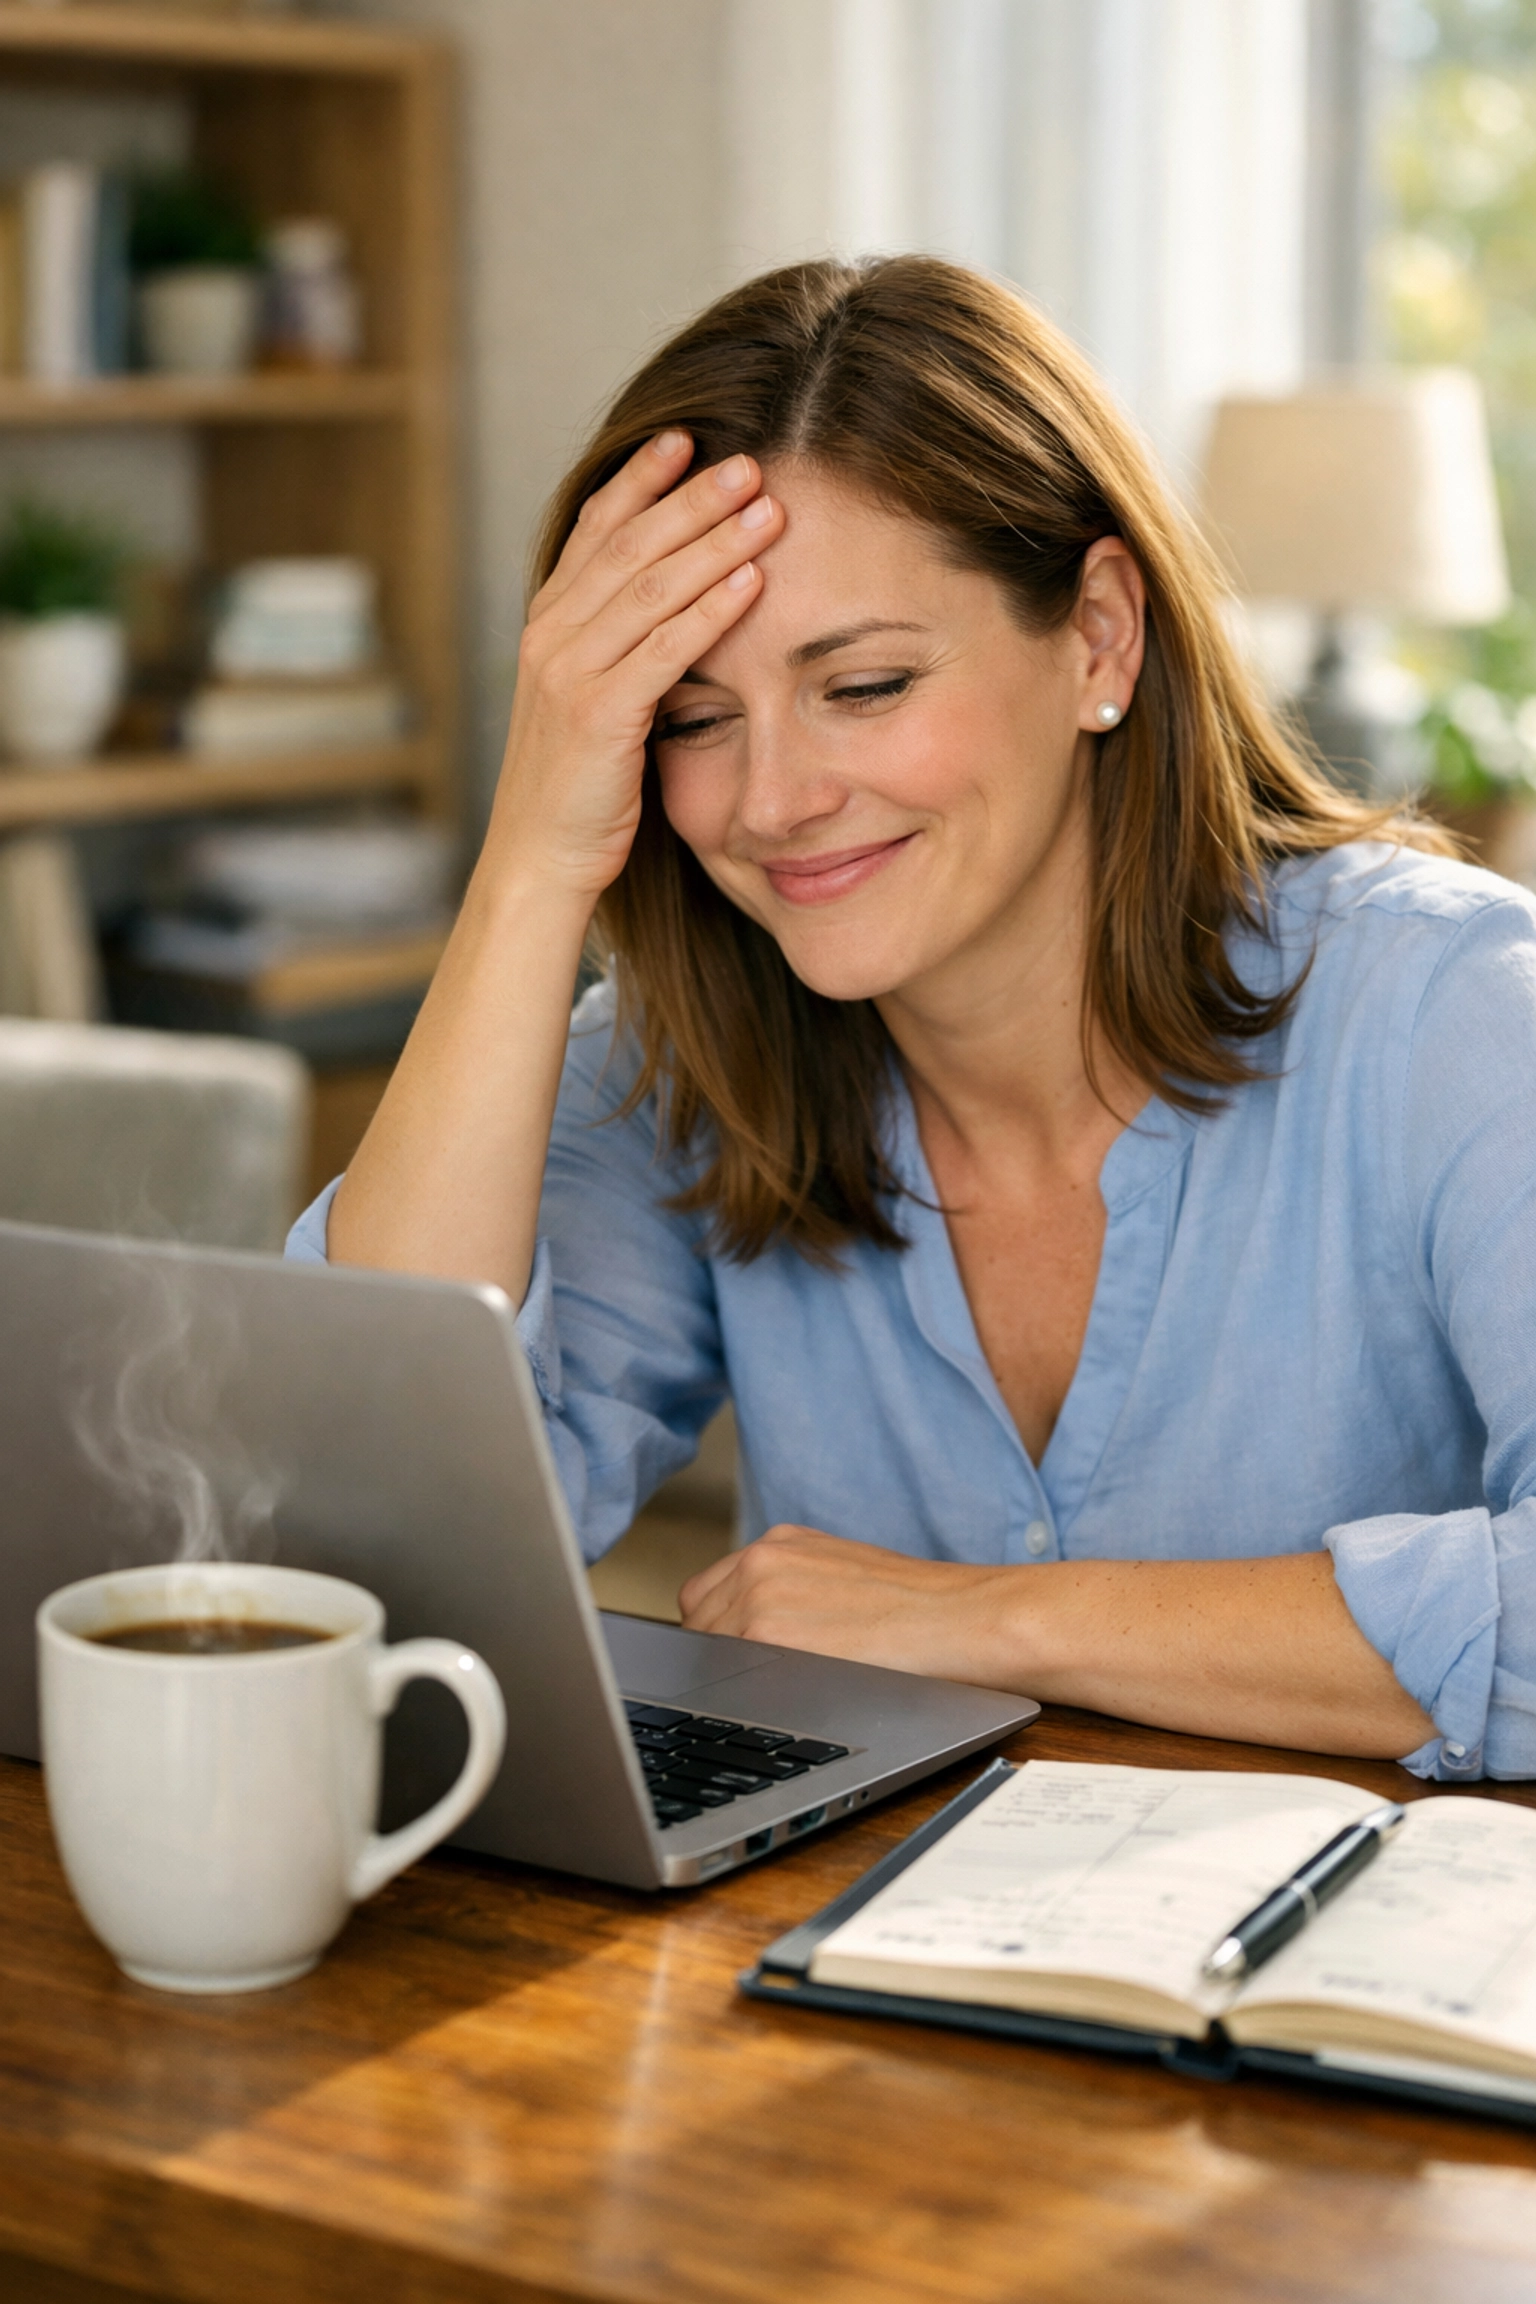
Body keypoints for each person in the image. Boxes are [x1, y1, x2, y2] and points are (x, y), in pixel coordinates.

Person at [289, 254, 1536, 1781]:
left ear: (1097, 636)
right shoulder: (684, 1066)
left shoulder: (1453, 1017)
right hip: (835, 1977)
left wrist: (991, 1623)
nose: (771, 802)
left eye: (864, 684)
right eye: (690, 716)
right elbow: (373, 1547)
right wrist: (533, 858)